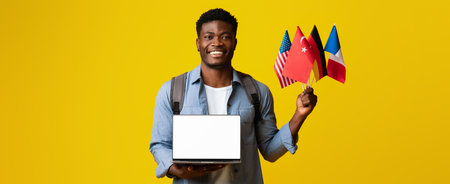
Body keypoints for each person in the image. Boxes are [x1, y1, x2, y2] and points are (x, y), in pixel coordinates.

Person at [149, 8, 317, 183]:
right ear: (198, 43)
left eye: (225, 37)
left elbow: (270, 151)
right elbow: (160, 145)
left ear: (235, 43)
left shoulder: (258, 92)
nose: (217, 43)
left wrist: (299, 115)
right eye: (209, 37)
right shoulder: (173, 91)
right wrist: (175, 168)